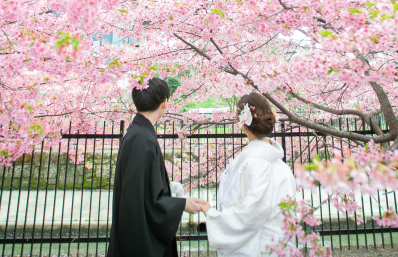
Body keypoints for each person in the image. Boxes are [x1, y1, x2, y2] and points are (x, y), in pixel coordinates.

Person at [107, 77, 207, 257]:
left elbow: (142, 192)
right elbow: (144, 200)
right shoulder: (143, 138)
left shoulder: (137, 133)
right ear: (164, 103)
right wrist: (182, 204)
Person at [200, 93, 297, 257]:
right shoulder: (280, 165)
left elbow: (249, 213)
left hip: (259, 249)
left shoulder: (253, 163)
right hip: (279, 246)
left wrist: (210, 213)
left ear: (242, 123)